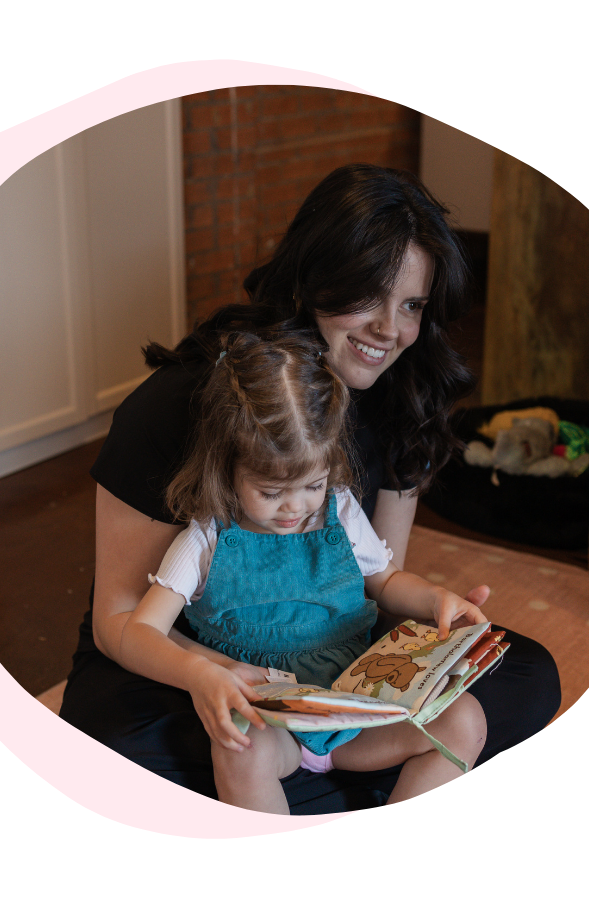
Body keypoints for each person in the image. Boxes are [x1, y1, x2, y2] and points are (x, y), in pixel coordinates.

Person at [59, 163, 562, 812]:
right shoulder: (185, 403)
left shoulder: (398, 391)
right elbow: (121, 625)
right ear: (314, 279)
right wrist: (217, 676)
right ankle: (317, 782)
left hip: (329, 670)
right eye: (370, 296)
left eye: (412, 305)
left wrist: (433, 630)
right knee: (115, 757)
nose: (391, 330)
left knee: (523, 676)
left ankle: (314, 780)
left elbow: (378, 581)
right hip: (201, 669)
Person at [119, 332, 489, 813]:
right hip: (275, 724)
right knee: (238, 749)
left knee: (466, 719)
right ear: (226, 466)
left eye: (313, 484)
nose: (296, 508)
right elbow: (139, 633)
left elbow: (388, 581)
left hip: (359, 710)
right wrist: (198, 674)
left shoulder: (338, 509)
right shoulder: (207, 538)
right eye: (272, 492)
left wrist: (438, 600)